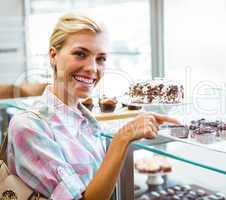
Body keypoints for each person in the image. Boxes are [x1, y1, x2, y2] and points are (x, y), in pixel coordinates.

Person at [7, 13, 179, 200]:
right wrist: (122, 138)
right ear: (53, 56)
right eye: (80, 54)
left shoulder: (87, 121)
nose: (92, 68)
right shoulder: (28, 126)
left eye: (100, 59)